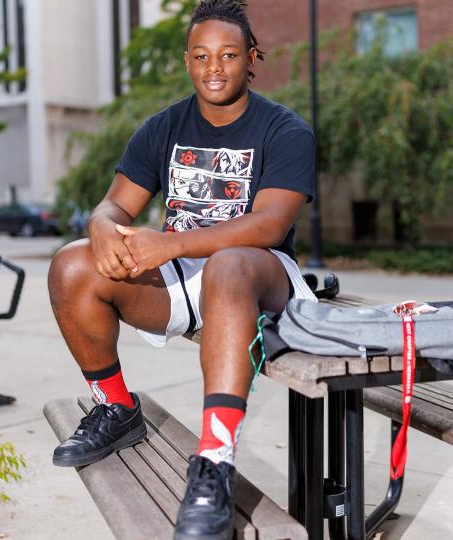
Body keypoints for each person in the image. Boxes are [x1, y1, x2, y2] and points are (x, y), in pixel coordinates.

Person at [47, 1, 316, 538]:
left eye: (229, 55)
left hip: (260, 277)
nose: (214, 68)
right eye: (201, 56)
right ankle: (117, 407)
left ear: (252, 59)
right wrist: (102, 225)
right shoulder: (164, 126)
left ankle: (214, 461)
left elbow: (266, 225)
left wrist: (168, 246)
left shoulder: (284, 129)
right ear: (187, 62)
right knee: (72, 264)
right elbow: (113, 206)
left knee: (231, 265)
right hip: (184, 278)